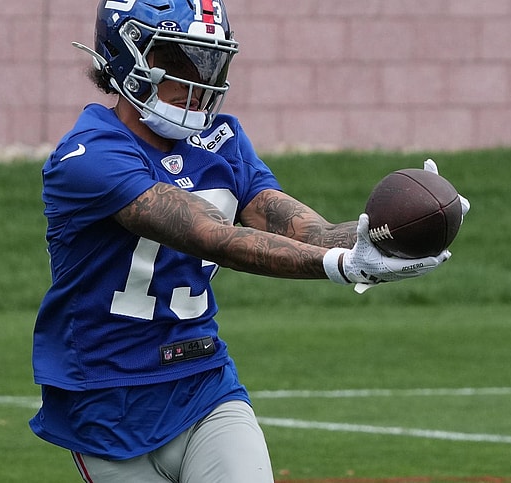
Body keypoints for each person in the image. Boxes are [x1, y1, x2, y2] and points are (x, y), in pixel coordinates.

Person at [29, 1, 467, 482]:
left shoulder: (222, 139)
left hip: (202, 384)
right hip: (104, 401)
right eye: (179, 60)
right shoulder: (89, 153)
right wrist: (342, 266)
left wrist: (384, 237)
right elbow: (212, 236)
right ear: (125, 57)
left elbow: (306, 230)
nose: (199, 81)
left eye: (210, 61)